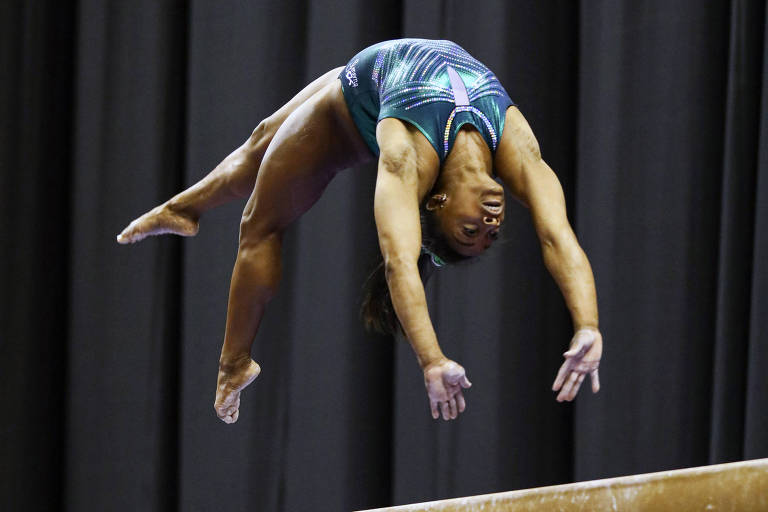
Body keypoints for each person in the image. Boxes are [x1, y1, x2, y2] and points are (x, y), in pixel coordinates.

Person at [117, 39, 602, 424]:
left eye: (470, 230)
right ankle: (185, 208)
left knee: (259, 224)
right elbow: (557, 236)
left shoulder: (407, 155)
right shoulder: (515, 148)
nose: (491, 224)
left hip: (349, 111)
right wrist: (587, 325)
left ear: (436, 202)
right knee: (259, 143)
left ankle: (233, 363)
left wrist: (432, 360)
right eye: (486, 234)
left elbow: (399, 261)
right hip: (372, 70)